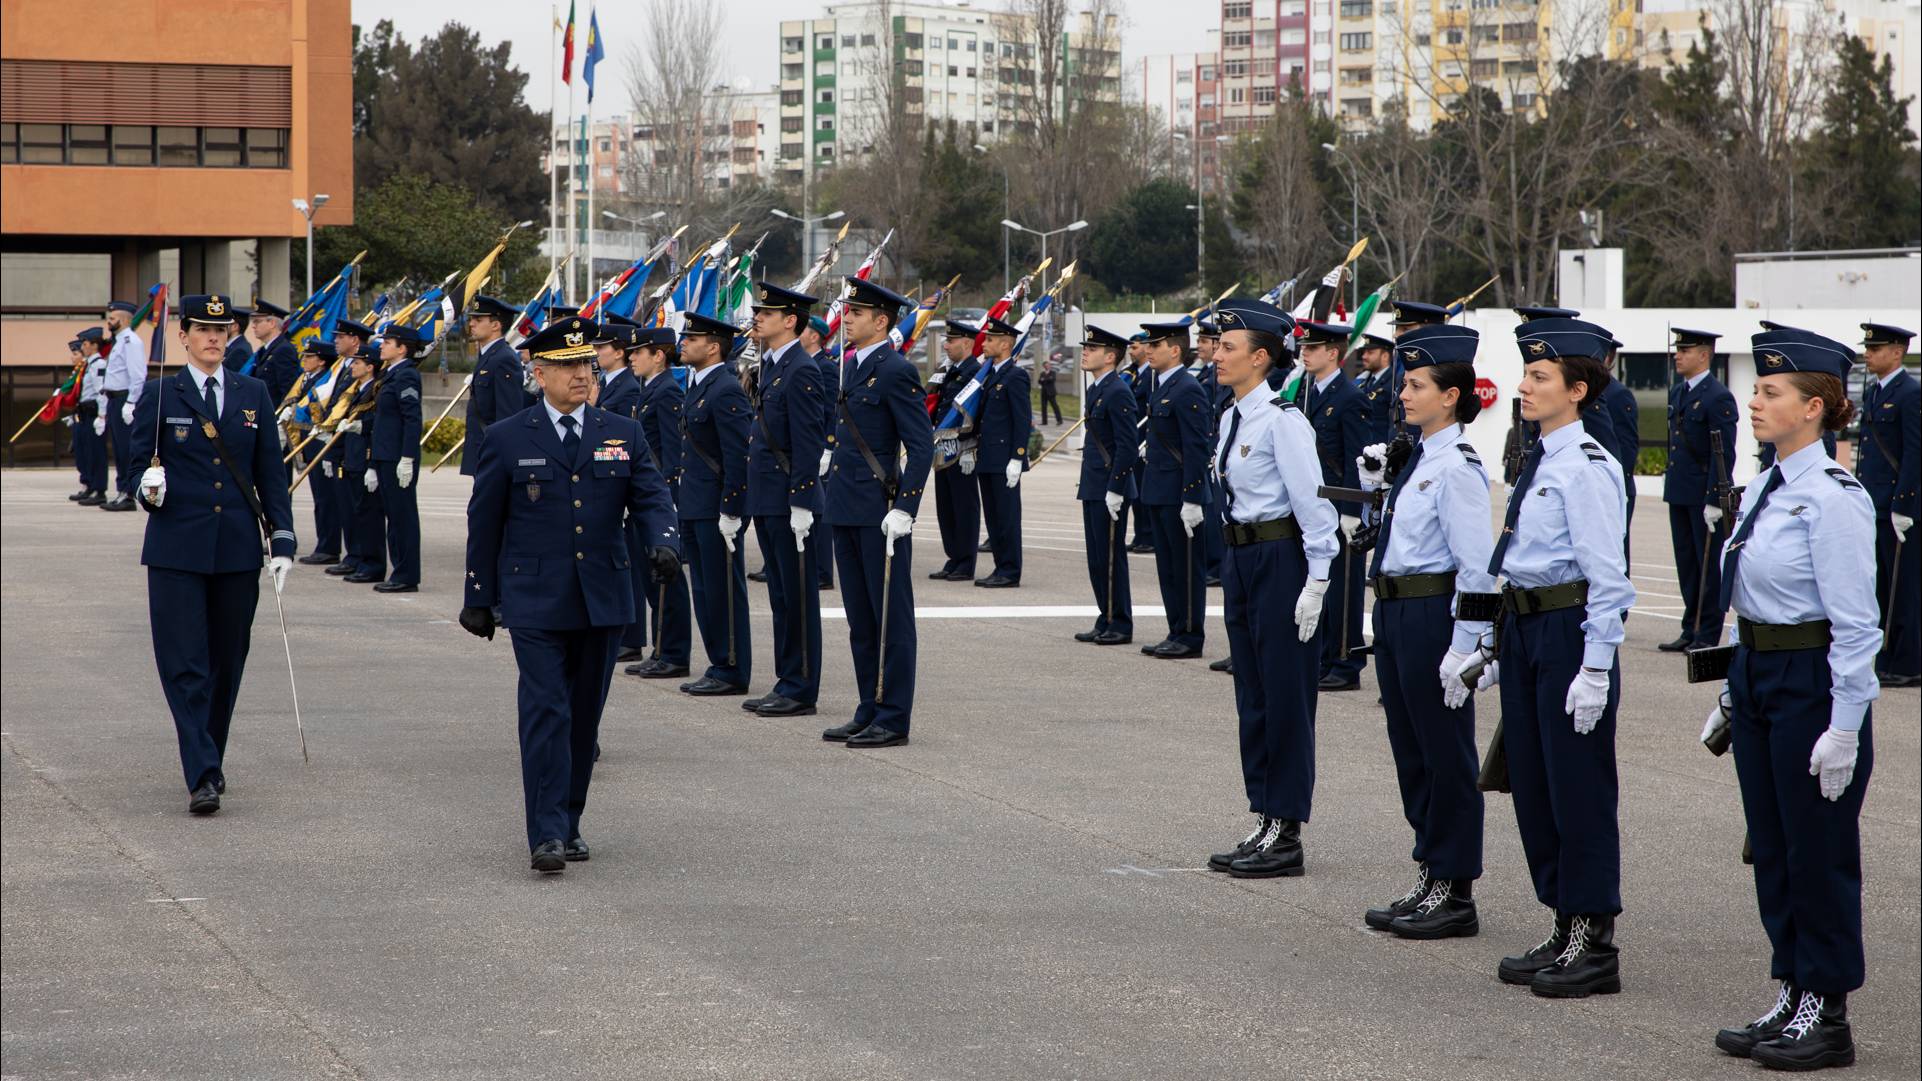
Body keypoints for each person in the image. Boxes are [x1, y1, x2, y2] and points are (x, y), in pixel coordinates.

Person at [1704, 323, 1881, 1071]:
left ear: (1815, 406)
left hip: (1812, 683)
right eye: (1758, 389)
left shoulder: (1834, 497)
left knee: (1818, 850)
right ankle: (1792, 986)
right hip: (1760, 675)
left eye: (1771, 392)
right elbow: (1750, 596)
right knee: (1772, 847)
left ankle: (1828, 1010)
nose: (1755, 401)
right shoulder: (1769, 486)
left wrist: (1845, 724)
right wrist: (1730, 683)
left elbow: (1855, 623)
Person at [460, 316, 682, 874]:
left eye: (585, 364)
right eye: (567, 366)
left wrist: (663, 541)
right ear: (538, 373)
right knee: (545, 711)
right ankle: (547, 833)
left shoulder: (620, 431)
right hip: (534, 598)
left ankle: (570, 820)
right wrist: (479, 595)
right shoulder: (508, 435)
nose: (581, 375)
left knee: (584, 717)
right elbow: (484, 520)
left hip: (603, 596)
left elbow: (652, 496)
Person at [1482, 315, 1636, 999]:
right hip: (1525, 628)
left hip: (1568, 632)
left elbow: (1609, 577)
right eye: (1527, 374)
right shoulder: (1540, 457)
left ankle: (1593, 936)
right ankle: (1562, 917)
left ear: (1577, 389)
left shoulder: (1589, 467)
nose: (1525, 386)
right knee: (1536, 787)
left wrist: (1597, 664)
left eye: (1540, 376)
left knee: (1577, 787)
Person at [127, 294, 297, 814]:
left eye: (222, 329)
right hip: (177, 548)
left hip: (238, 550)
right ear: (184, 335)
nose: (213, 337)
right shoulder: (162, 394)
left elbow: (271, 469)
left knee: (227, 662)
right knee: (184, 664)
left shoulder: (253, 392)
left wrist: (283, 538)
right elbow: (134, 471)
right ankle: (201, 771)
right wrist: (145, 485)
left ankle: (210, 756)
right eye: (202, 328)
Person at [1358, 323, 1495, 938]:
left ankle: (1455, 889)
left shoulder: (1458, 467)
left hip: (1433, 616)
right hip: (1395, 613)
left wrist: (1466, 647)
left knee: (1444, 754)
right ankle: (1430, 873)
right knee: (1411, 753)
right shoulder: (1417, 460)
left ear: (1450, 395)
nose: (1403, 394)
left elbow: (1476, 569)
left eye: (1415, 385)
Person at [1202, 298, 1339, 878]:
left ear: (1260, 358)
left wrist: (1318, 580)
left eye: (1228, 348)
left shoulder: (1284, 420)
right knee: (1252, 695)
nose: (1216, 356)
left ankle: (1287, 830)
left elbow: (1314, 507)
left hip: (1280, 560)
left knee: (1285, 697)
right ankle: (1263, 814)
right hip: (1242, 559)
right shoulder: (1233, 415)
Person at [821, 276, 934, 748]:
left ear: (881, 321)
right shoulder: (847, 367)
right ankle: (868, 706)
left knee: (891, 620)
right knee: (861, 620)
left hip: (880, 513)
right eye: (846, 312)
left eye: (856, 314)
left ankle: (892, 716)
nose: (846, 319)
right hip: (844, 508)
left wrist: (905, 508)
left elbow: (921, 445)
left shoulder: (894, 369)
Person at [737, 283, 829, 718]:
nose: (757, 317)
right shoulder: (772, 365)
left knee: (798, 597)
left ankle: (801, 687)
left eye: (767, 313)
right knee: (779, 595)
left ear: (791, 320)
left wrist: (802, 502)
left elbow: (808, 443)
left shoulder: (801, 369)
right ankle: (786, 679)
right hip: (767, 498)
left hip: (788, 501)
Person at [675, 313, 755, 697]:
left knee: (724, 589)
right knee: (705, 590)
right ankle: (717, 661)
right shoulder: (696, 385)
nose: (684, 343)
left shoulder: (725, 389)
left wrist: (732, 510)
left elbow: (738, 455)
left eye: (693, 338)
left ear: (714, 346)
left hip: (715, 507)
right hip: (693, 504)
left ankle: (733, 667)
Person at [1298, 320, 1370, 690]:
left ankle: (1345, 661)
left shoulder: (1350, 396)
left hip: (1341, 509)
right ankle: (1325, 656)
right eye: (1304, 348)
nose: (1304, 354)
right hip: (1315, 507)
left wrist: (1352, 511)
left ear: (1333, 354)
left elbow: (1356, 458)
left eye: (1312, 349)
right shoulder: (1307, 394)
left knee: (1344, 585)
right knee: (1321, 582)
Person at [1660, 327, 1739, 652]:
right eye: (1678, 349)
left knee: (1708, 567)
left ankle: (1707, 633)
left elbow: (1725, 452)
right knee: (1687, 565)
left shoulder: (1717, 396)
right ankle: (1690, 627)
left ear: (1704, 355)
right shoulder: (1679, 393)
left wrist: (1714, 499)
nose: (1678, 355)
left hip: (1703, 495)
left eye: (1686, 350)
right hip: (1680, 490)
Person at [1137, 319, 1213, 658]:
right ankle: (1175, 629)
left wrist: (1193, 496)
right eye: (1148, 345)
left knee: (1185, 568)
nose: (1148, 350)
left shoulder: (1187, 388)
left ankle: (1190, 636)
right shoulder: (1162, 385)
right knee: (1167, 567)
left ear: (1175, 349)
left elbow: (1197, 447)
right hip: (1159, 490)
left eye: (1155, 345)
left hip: (1180, 494)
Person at [622, 326, 693, 679]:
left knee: (667, 580)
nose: (631, 357)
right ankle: (661, 648)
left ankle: (674, 653)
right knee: (652, 580)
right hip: (644, 499)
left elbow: (672, 452)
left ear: (659, 356)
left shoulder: (666, 392)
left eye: (638, 352)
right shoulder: (649, 390)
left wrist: (668, 500)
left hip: (660, 499)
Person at [1855, 322, 1918, 688]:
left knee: (1903, 587)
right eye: (1868, 347)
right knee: (1880, 586)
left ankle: (1907, 662)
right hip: (1874, 502)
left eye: (1876, 348)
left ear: (1897, 351)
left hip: (1898, 507)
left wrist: (1904, 505)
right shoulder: (1874, 392)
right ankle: (1887, 654)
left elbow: (1914, 452)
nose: (1868, 353)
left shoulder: (1910, 393)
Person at [1072, 325, 1139, 646]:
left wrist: (1117, 488)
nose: (1085, 352)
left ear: (1110, 356)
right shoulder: (1099, 388)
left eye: (1092, 348)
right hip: (1093, 484)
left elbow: (1127, 445)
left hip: (1110, 487)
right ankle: (1105, 616)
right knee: (1097, 557)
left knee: (1111, 558)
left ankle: (1120, 623)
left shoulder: (1117, 390)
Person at [592, 319, 651, 663]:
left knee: (629, 563)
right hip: (606, 480)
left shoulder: (627, 388)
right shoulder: (608, 385)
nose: (597, 354)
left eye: (603, 348)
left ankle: (632, 637)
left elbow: (619, 442)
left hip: (619, 480)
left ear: (619, 352)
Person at [973, 316, 1031, 588]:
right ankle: (1000, 567)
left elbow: (1021, 419)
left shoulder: (1015, 376)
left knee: (1006, 518)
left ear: (1006, 344)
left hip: (1004, 460)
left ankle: (1010, 570)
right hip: (987, 458)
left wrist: (1017, 457)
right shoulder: (991, 375)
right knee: (994, 517)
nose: (984, 343)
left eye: (990, 339)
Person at [370, 323, 427, 593]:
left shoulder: (406, 376)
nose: (381, 345)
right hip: (385, 456)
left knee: (403, 517)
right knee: (393, 516)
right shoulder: (390, 375)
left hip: (397, 458)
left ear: (402, 348)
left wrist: (407, 458)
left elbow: (412, 420)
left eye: (387, 342)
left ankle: (406, 575)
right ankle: (399, 571)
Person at [928, 319, 983, 582]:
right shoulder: (950, 371)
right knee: (946, 506)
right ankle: (953, 556)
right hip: (943, 446)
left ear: (967, 343)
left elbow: (976, 414)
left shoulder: (976, 373)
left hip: (963, 449)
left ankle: (966, 561)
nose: (946, 345)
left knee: (964, 506)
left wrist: (972, 447)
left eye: (951, 341)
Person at [461, 295, 533, 479]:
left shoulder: (504, 359)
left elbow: (508, 413)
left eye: (478, 320)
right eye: (471, 319)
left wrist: (501, 456)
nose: (471, 324)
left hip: (493, 451)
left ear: (496, 325)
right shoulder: (488, 355)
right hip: (481, 447)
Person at [332, 343, 386, 584]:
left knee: (369, 516)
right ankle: (359, 558)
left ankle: (372, 564)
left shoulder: (375, 390)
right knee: (356, 514)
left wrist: (372, 463)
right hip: (352, 458)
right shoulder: (357, 390)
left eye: (357, 362)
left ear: (370, 367)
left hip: (365, 458)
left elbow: (377, 424)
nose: (352, 366)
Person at [285, 341, 343, 565]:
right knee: (320, 496)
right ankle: (324, 544)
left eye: (309, 357)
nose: (304, 361)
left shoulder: (325, 380)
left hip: (321, 440)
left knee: (326, 497)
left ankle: (329, 547)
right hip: (310, 441)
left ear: (321, 361)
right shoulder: (306, 379)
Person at [99, 299, 149, 511]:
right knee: (119, 449)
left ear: (123, 319)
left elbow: (138, 375)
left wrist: (130, 402)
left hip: (123, 400)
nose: (109, 322)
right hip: (114, 400)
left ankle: (128, 494)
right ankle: (122, 491)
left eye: (112, 318)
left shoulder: (131, 341)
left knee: (126, 449)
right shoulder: (119, 341)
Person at [802, 314, 838, 590]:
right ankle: (812, 567)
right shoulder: (807, 365)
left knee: (820, 513)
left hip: (820, 450)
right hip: (809, 447)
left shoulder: (825, 367)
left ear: (815, 336)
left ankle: (823, 572)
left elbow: (830, 410)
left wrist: (827, 446)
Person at [1126, 334, 1157, 553]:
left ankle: (1148, 536)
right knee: (1135, 493)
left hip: (1144, 440)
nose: (1130, 351)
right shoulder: (1132, 374)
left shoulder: (1152, 376)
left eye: (1134, 347)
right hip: (1134, 440)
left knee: (1144, 491)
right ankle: (1140, 534)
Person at [71, 328, 110, 505]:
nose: (83, 347)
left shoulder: (99, 365)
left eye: (85, 344)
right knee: (87, 451)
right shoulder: (88, 365)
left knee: (96, 452)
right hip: (85, 411)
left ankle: (99, 490)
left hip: (94, 412)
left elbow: (101, 391)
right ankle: (91, 487)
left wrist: (102, 415)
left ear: (94, 345)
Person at [243, 300, 301, 406]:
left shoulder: (283, 350)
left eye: (257, 321)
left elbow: (287, 389)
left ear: (272, 323)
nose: (253, 326)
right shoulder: (264, 350)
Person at [1355, 333, 1397, 445]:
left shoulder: (1393, 382)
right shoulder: (1363, 382)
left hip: (1381, 448)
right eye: (1364, 352)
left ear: (1385, 356)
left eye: (1370, 353)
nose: (1364, 356)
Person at [220, 302, 254, 372]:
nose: (221, 327)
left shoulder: (240, 350)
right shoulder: (233, 346)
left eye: (225, 324)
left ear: (235, 327)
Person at [1037, 354, 1063, 425]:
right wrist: (1045, 380)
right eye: (1045, 365)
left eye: (1048, 365)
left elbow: (1052, 379)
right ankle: (1044, 421)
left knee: (1055, 406)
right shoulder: (1042, 373)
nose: (1047, 366)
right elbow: (1039, 381)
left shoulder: (1053, 373)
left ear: (1049, 366)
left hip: (1051, 392)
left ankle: (1059, 420)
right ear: (1044, 366)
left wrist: (1044, 380)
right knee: (1044, 408)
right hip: (1044, 392)